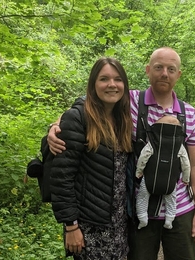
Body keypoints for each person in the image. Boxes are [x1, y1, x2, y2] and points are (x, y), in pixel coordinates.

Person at [48, 47, 195, 260]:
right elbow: (88, 105)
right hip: (138, 212)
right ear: (148, 70)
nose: (164, 73)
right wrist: (56, 125)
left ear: (178, 74)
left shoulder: (189, 113)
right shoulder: (130, 102)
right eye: (158, 67)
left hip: (180, 209)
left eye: (171, 69)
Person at [49, 57, 133, 260]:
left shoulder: (123, 118)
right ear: (93, 84)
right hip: (88, 226)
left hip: (118, 224)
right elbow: (62, 177)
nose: (112, 85)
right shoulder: (78, 118)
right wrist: (71, 226)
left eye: (118, 79)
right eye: (104, 79)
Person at [135, 115, 190, 230]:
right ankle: (169, 220)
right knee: (171, 200)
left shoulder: (152, 143)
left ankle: (142, 219)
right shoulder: (179, 146)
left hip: (149, 180)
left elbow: (143, 158)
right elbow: (186, 164)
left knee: (142, 198)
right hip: (170, 182)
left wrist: (139, 171)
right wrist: (186, 178)